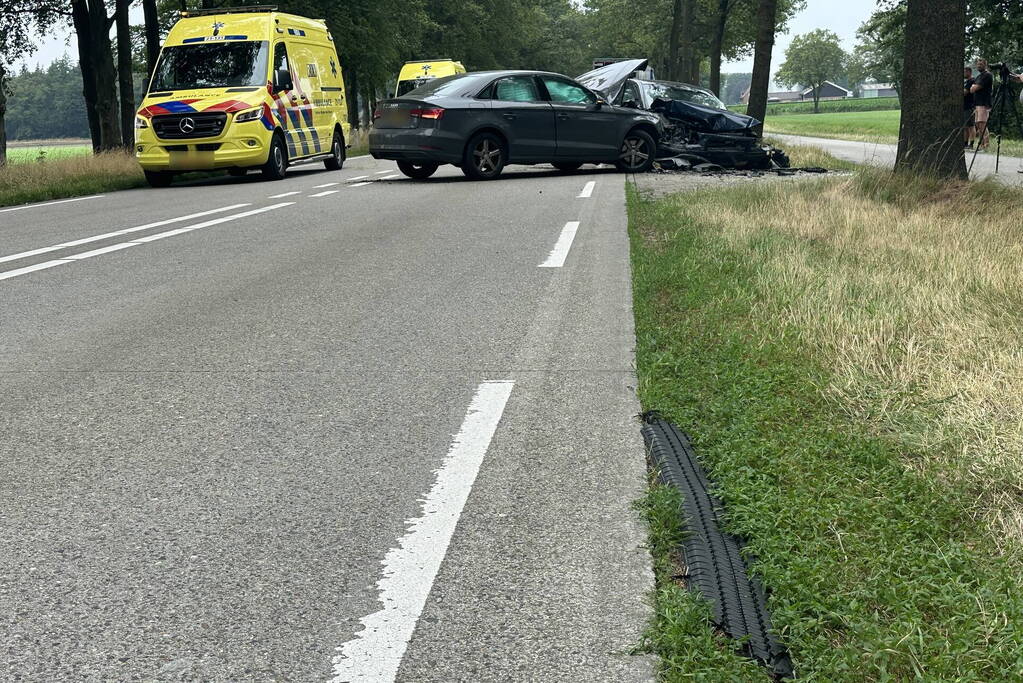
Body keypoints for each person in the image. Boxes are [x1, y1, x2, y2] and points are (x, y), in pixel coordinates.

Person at [970, 58, 994, 150]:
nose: (979, 66)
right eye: (978, 64)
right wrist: (973, 87)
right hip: (977, 103)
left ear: (985, 65)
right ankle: (981, 144)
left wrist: (974, 87)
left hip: (984, 103)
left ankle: (986, 145)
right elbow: (972, 89)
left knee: (983, 124)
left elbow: (975, 88)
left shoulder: (987, 75)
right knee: (978, 124)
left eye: (981, 64)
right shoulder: (978, 76)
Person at [963, 66, 976, 149]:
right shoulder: (966, 81)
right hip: (964, 106)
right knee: (965, 126)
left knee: (971, 126)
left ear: (969, 72)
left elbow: (965, 92)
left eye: (964, 72)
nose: (963, 74)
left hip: (969, 106)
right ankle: (965, 144)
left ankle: (971, 144)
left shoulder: (971, 81)